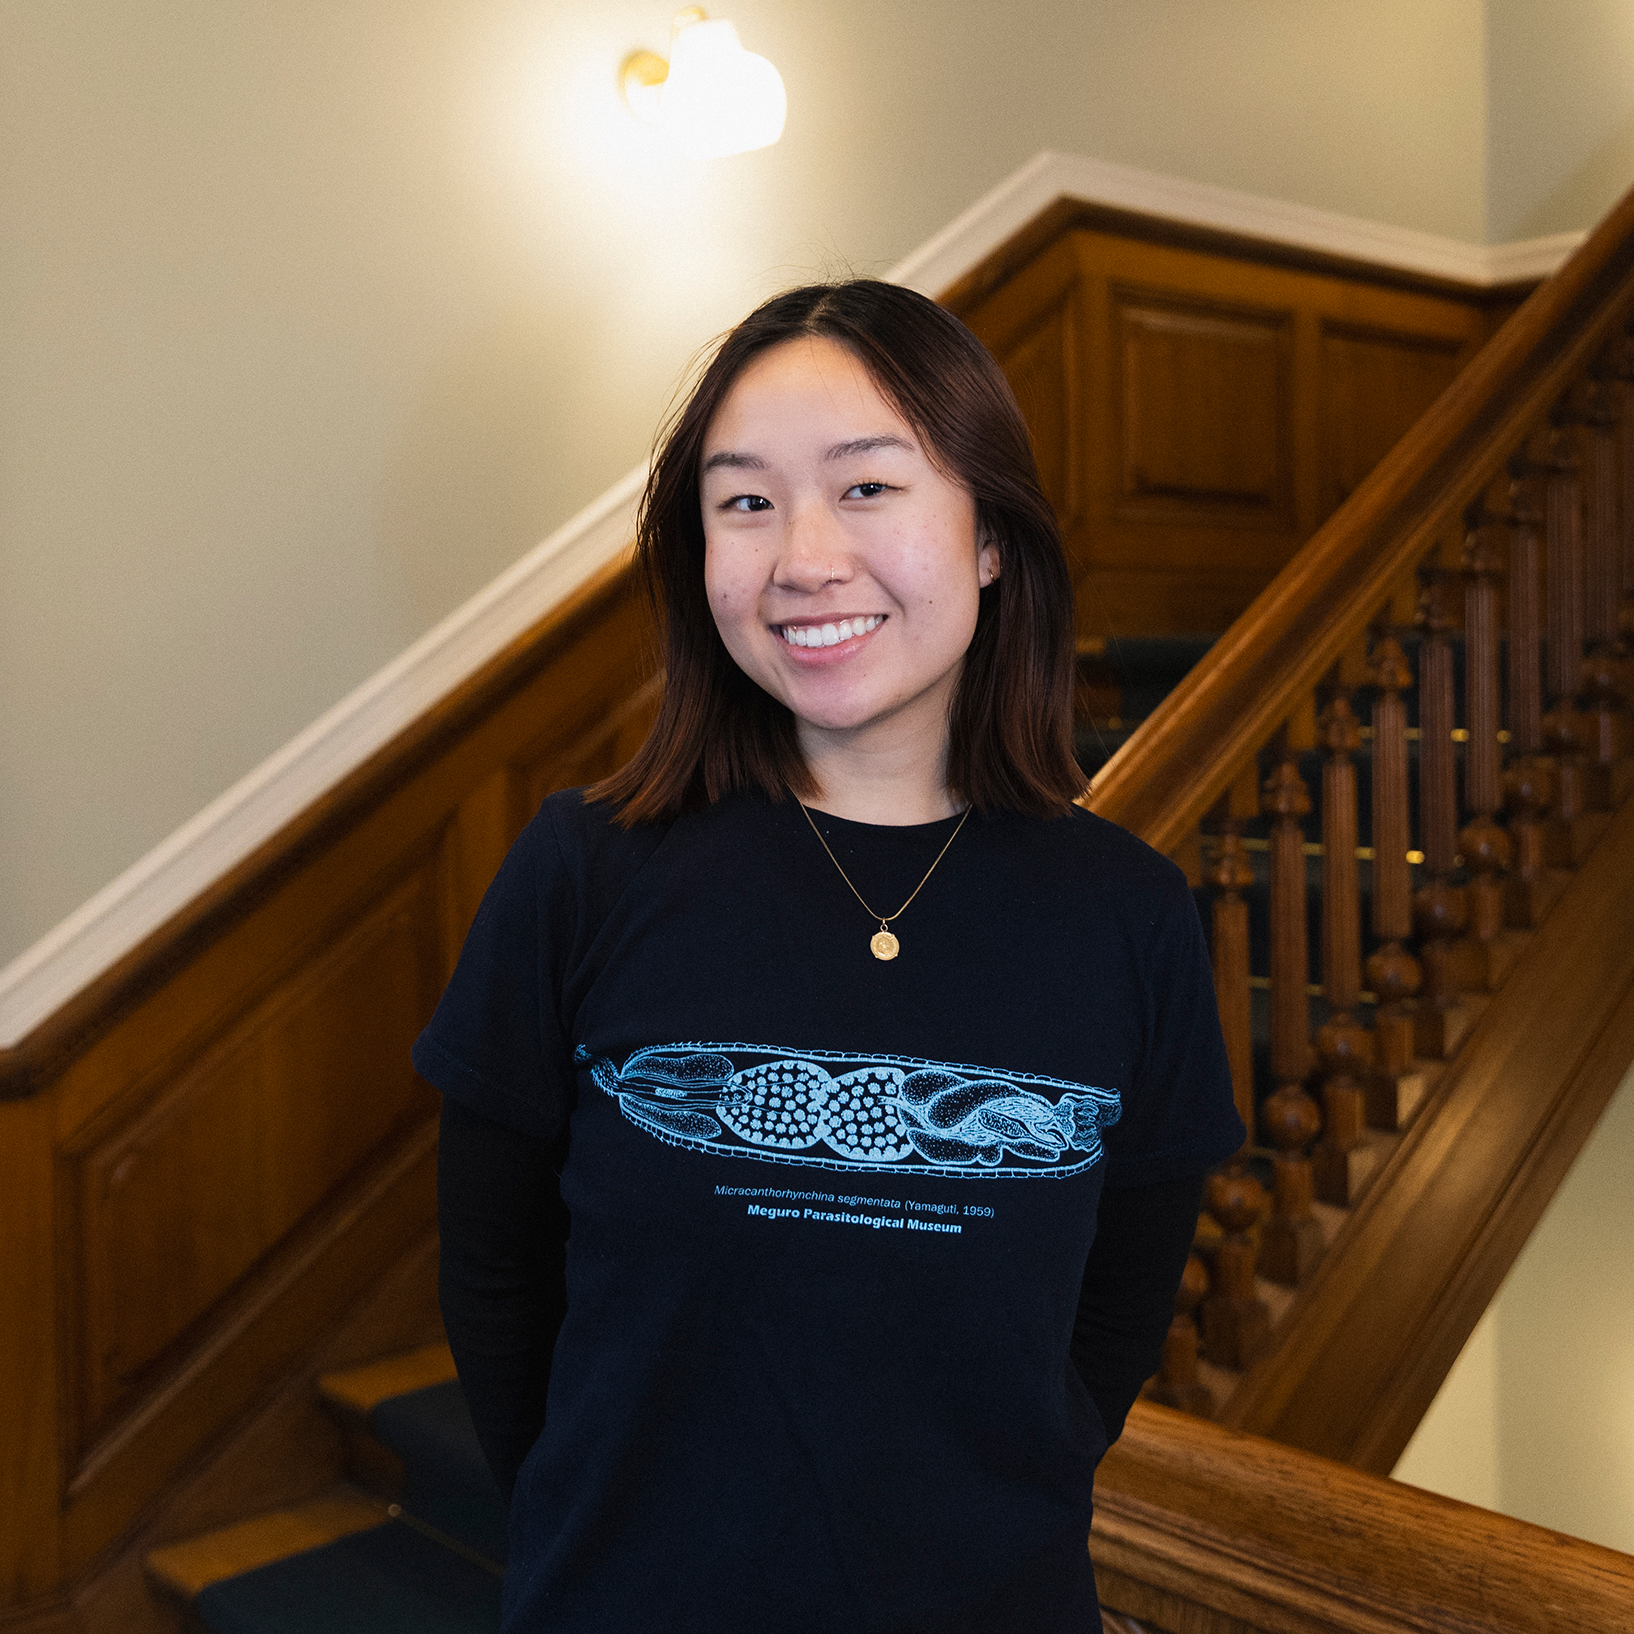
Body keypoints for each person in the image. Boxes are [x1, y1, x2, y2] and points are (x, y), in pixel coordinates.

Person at [413, 279, 1244, 1633]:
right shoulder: (583, 871)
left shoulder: (1131, 916)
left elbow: (1110, 1325)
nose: (802, 557)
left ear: (990, 537)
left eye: (866, 488)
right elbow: (496, 1276)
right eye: (745, 502)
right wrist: (595, 1530)